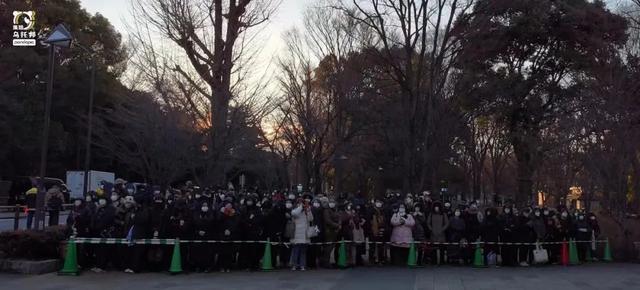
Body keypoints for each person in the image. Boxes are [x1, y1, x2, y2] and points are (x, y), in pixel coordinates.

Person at [90, 196, 115, 272]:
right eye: (100, 199)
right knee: (97, 250)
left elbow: (107, 220)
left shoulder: (110, 209)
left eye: (103, 199)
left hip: (105, 232)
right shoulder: (98, 209)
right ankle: (98, 265)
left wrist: (98, 227)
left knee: (103, 250)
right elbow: (93, 218)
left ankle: (102, 266)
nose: (101, 201)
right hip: (97, 232)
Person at [239, 196, 264, 271]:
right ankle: (247, 264)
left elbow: (260, 219)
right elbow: (241, 219)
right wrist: (247, 223)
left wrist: (252, 223)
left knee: (255, 249)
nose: (249, 202)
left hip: (255, 231)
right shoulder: (244, 209)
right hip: (246, 232)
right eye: (248, 200)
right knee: (246, 249)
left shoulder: (257, 209)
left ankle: (255, 264)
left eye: (250, 200)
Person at [289, 198, 313, 271]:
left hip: (304, 234)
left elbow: (311, 219)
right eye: (299, 203)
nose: (302, 204)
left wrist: (308, 210)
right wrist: (301, 207)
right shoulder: (295, 210)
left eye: (302, 203)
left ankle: (302, 265)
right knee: (296, 250)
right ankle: (294, 265)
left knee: (303, 251)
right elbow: (294, 213)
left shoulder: (306, 210)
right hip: (296, 233)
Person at [192, 201, 215, 272]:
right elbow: (193, 225)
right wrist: (198, 231)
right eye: (203, 205)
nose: (205, 207)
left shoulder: (210, 214)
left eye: (206, 205)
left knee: (208, 253)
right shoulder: (196, 214)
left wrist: (206, 232)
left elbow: (212, 224)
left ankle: (207, 267)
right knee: (198, 252)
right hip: (198, 236)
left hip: (208, 236)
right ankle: (198, 266)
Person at [218, 201, 239, 272]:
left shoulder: (234, 213)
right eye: (227, 205)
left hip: (231, 234)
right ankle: (221, 266)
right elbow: (219, 222)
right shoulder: (221, 212)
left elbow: (236, 223)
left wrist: (230, 230)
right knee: (222, 252)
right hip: (222, 234)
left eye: (230, 205)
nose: (229, 207)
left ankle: (228, 266)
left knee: (229, 252)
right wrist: (223, 213)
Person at [322, 199, 341, 268]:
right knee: (328, 248)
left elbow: (339, 217)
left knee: (331, 247)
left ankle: (327, 262)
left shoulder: (335, 210)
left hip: (334, 231)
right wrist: (337, 225)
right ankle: (325, 262)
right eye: (331, 202)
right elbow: (328, 221)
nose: (332, 203)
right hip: (328, 231)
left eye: (333, 202)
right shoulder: (326, 210)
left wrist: (339, 224)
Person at [370, 199, 388, 265]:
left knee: (381, 245)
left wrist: (384, 227)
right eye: (377, 202)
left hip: (382, 229)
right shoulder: (372, 210)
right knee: (373, 245)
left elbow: (385, 221)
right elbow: (370, 220)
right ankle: (373, 259)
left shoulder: (383, 211)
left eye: (380, 202)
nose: (379, 203)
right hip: (373, 230)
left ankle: (381, 259)